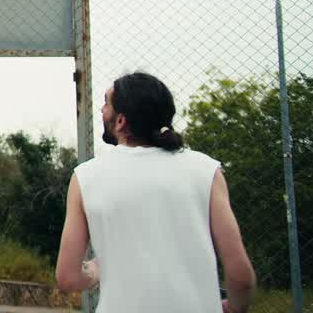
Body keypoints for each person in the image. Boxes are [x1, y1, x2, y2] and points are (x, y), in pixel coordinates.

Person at [55, 71, 256, 312]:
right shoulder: (206, 170)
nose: (101, 109)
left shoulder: (86, 178)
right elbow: (241, 277)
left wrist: (97, 268)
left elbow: (67, 277)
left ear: (121, 121)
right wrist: (234, 307)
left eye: (106, 102)